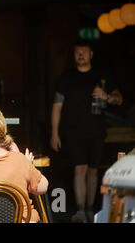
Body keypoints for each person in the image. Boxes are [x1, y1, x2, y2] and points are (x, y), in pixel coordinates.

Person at [50, 40, 123, 223]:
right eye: (77, 52)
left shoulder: (101, 76)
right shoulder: (67, 77)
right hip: (74, 131)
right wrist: (54, 133)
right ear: (74, 55)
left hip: (97, 130)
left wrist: (106, 96)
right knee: (79, 169)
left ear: (91, 54)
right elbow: (57, 107)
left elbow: (119, 99)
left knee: (93, 171)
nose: (80, 55)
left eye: (84, 51)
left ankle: (90, 209)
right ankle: (81, 211)